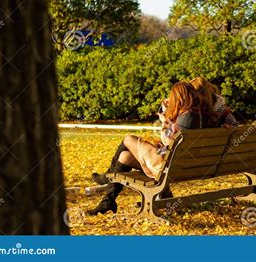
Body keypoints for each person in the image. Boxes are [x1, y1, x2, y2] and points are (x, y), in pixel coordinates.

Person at [87, 82, 217, 216]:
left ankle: (107, 176)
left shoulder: (187, 116)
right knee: (125, 157)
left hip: (169, 166)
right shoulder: (204, 114)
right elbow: (176, 144)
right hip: (186, 166)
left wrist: (164, 120)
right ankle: (107, 202)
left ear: (180, 97)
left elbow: (168, 139)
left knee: (128, 139)